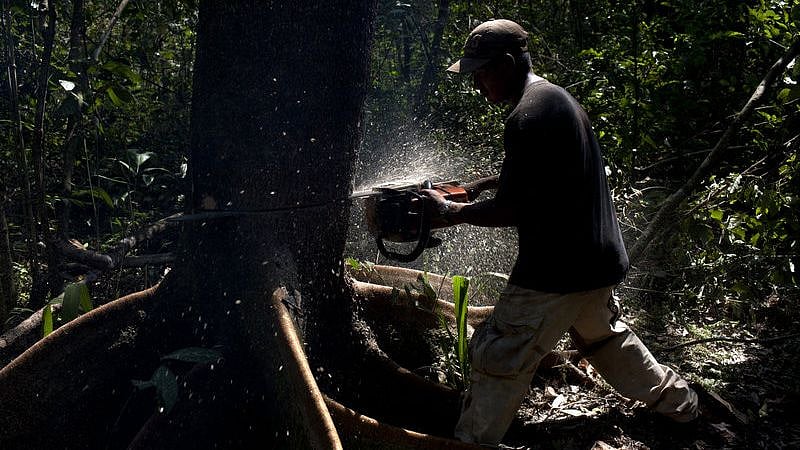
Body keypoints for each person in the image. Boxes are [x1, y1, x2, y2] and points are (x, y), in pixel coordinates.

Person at [421, 18, 699, 447]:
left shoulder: (527, 116)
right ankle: (681, 405)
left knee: (498, 355)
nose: (478, 84)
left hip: (554, 274)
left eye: (483, 73)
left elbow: (513, 207)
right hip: (597, 262)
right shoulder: (556, 100)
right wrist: (481, 185)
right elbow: (547, 176)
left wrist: (452, 210)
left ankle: (470, 442)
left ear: (510, 62)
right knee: (607, 342)